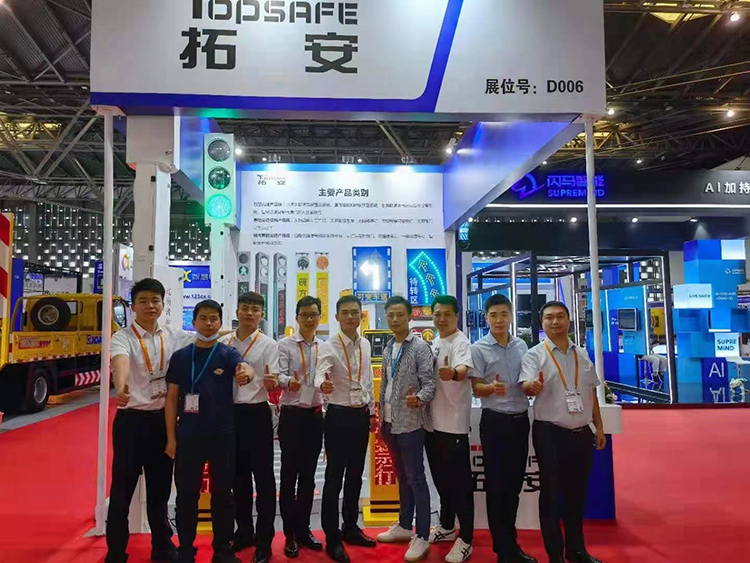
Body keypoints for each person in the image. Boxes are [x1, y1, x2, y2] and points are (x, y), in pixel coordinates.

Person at [106, 278, 196, 563]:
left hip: (163, 423)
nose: (150, 306)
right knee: (122, 490)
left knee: (160, 490)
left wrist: (240, 332)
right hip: (131, 423)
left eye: (155, 300)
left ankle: (162, 547)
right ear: (133, 306)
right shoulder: (123, 338)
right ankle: (116, 552)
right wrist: (121, 386)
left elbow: (207, 337)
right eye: (143, 301)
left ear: (162, 305)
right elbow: (120, 363)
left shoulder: (173, 335)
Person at [164, 300, 254, 563]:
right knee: (186, 495)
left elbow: (245, 368)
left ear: (220, 322)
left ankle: (222, 550)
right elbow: (171, 399)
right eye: (203, 318)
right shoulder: (181, 357)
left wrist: (246, 374)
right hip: (188, 434)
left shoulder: (227, 354)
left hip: (222, 434)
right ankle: (185, 550)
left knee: (223, 495)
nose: (209, 323)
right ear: (194, 322)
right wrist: (171, 438)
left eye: (214, 318)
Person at [520, 301, 606, 563]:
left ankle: (576, 550)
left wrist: (599, 427)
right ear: (542, 322)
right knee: (550, 495)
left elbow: (591, 393)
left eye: (560, 316)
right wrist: (532, 387)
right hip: (550, 434)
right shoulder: (535, 355)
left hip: (581, 434)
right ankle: (555, 554)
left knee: (577, 495)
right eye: (549, 317)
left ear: (569, 320)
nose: (554, 322)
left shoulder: (582, 354)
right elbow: (526, 385)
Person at [470, 295, 536, 563]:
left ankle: (510, 542)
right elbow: (476, 388)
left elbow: (526, 380)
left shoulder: (522, 345)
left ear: (511, 316)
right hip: (495, 421)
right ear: (486, 317)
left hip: (520, 420)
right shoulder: (478, 348)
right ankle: (503, 548)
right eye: (494, 315)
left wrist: (533, 385)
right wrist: (490, 388)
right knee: (497, 487)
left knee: (514, 485)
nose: (499, 320)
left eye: (504, 314)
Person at [314, 295, 377, 563]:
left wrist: (371, 412)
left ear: (361, 315)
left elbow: (366, 380)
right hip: (338, 417)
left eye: (354, 312)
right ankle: (332, 537)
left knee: (355, 475)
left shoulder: (365, 344)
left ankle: (350, 526)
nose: (350, 317)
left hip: (360, 416)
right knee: (334, 478)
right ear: (337, 317)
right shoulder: (330, 345)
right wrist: (322, 384)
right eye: (345, 313)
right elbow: (320, 372)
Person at [375, 296, 436, 562]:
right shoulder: (389, 347)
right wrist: (380, 418)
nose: (395, 319)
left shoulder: (420, 347)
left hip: (411, 423)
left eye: (400, 314)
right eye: (391, 315)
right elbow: (385, 385)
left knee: (416, 478)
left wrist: (419, 398)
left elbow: (430, 384)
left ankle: (422, 535)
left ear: (409, 316)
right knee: (402, 476)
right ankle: (403, 524)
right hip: (390, 421)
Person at [220, 292, 279, 563]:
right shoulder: (224, 342)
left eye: (255, 310)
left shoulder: (269, 344)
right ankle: (244, 532)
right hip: (229, 415)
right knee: (238, 478)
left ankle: (264, 541)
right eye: (245, 308)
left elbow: (273, 377)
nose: (249, 313)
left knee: (264, 480)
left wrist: (270, 382)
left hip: (257, 414)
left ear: (261, 315)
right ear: (237, 312)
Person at [425, 295, 477, 563]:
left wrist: (454, 373)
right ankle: (446, 526)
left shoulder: (460, 341)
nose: (442, 319)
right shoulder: (435, 342)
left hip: (454, 426)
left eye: (447, 314)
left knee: (459, 485)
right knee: (442, 481)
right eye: (437, 314)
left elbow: (463, 368)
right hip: (433, 424)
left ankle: (466, 538)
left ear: (457, 316)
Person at [277, 296, 326, 558]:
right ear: (297, 317)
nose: (309, 319)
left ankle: (304, 529)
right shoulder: (284, 345)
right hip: (292, 416)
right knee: (289, 476)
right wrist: (288, 382)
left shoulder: (324, 347)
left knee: (308, 477)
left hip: (315, 416)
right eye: (304, 314)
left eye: (313, 314)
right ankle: (289, 534)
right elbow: (278, 374)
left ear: (319, 317)